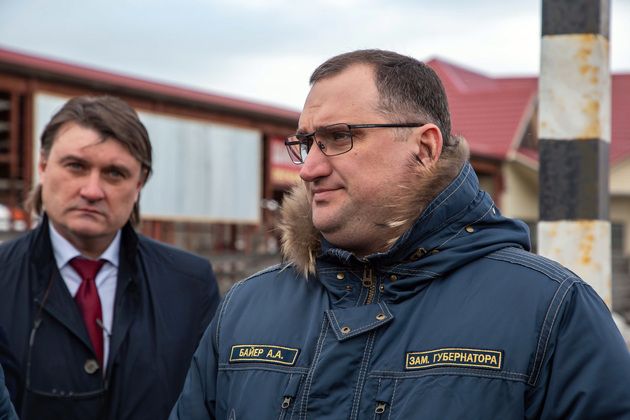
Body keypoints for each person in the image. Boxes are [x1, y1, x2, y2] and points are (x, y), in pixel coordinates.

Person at [169, 50, 630, 419]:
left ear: (424, 148)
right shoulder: (245, 307)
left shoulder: (550, 309)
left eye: (338, 137)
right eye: (306, 143)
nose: (308, 168)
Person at [0, 96, 220, 420]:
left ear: (139, 184)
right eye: (76, 166)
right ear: (43, 167)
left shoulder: (190, 285)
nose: (92, 191)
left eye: (114, 173)